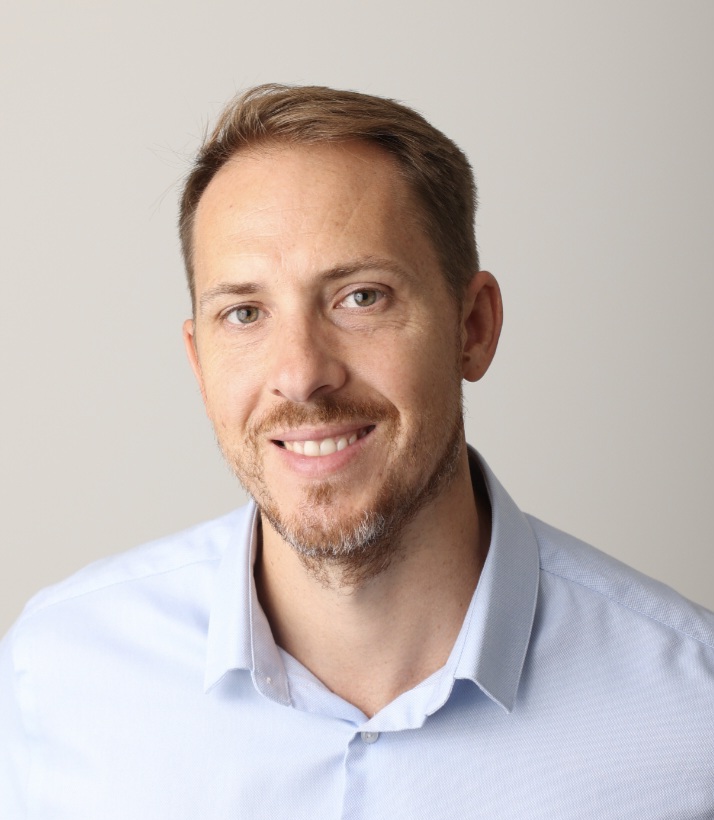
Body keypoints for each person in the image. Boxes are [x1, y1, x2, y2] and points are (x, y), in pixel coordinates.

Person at [1, 84, 712, 818]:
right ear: (199, 362)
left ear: (473, 327)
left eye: (361, 297)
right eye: (244, 313)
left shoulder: (694, 720)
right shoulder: (53, 678)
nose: (302, 374)